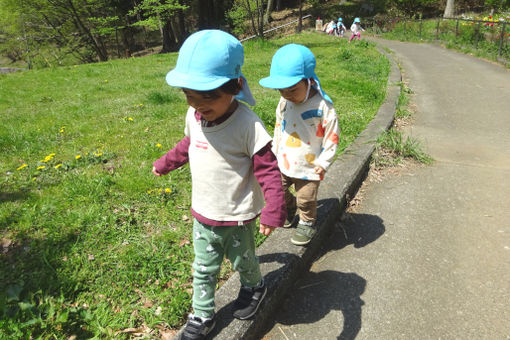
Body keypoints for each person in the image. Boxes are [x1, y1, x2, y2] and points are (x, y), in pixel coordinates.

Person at [152, 29, 286, 340]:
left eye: (208, 96)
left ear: (235, 86)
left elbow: (268, 169)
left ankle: (255, 288)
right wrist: (166, 163)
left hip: (237, 216)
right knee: (203, 268)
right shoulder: (195, 114)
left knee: (245, 261)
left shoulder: (247, 125)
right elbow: (189, 143)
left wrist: (274, 210)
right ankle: (202, 316)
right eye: (190, 95)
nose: (198, 104)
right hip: (203, 212)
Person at [259, 44, 340, 246]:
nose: (286, 94)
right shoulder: (284, 102)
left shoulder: (322, 107)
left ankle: (307, 222)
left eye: (293, 89)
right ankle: (289, 207)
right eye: (281, 90)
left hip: (310, 165)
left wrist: (324, 161)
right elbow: (280, 125)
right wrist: (275, 149)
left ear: (310, 81)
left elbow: (332, 135)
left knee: (307, 197)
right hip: (284, 159)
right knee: (275, 188)